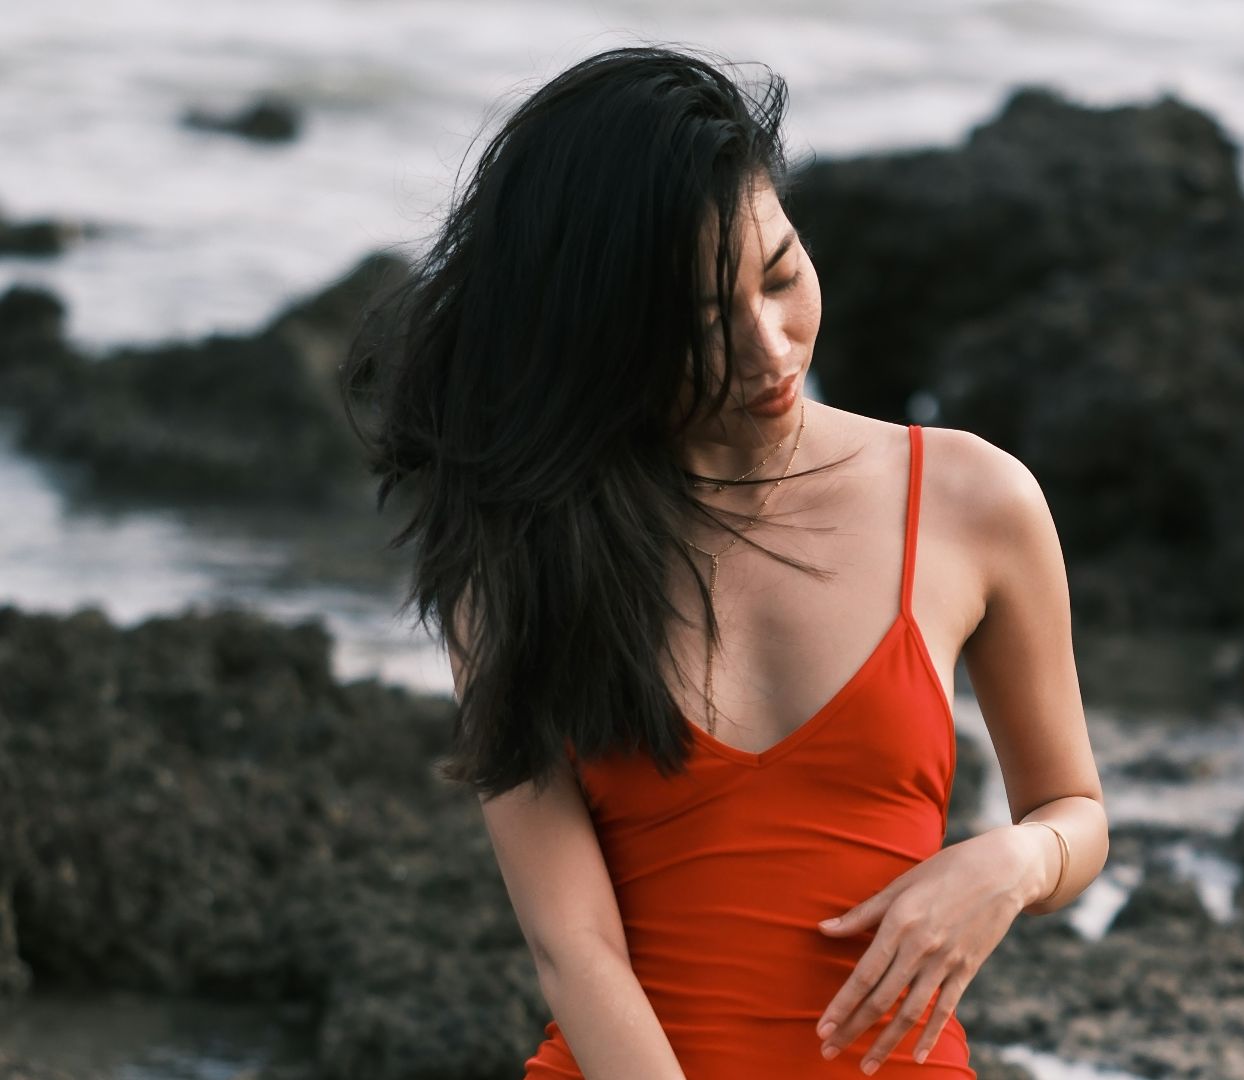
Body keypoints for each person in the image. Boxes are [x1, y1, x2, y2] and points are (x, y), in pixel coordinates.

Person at [340, 43, 1107, 1079]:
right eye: (704, 320)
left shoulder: (974, 501)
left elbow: (1073, 810)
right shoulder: (524, 554)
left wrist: (1014, 860)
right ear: (605, 332)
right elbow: (574, 949)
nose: (770, 347)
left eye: (781, 276)